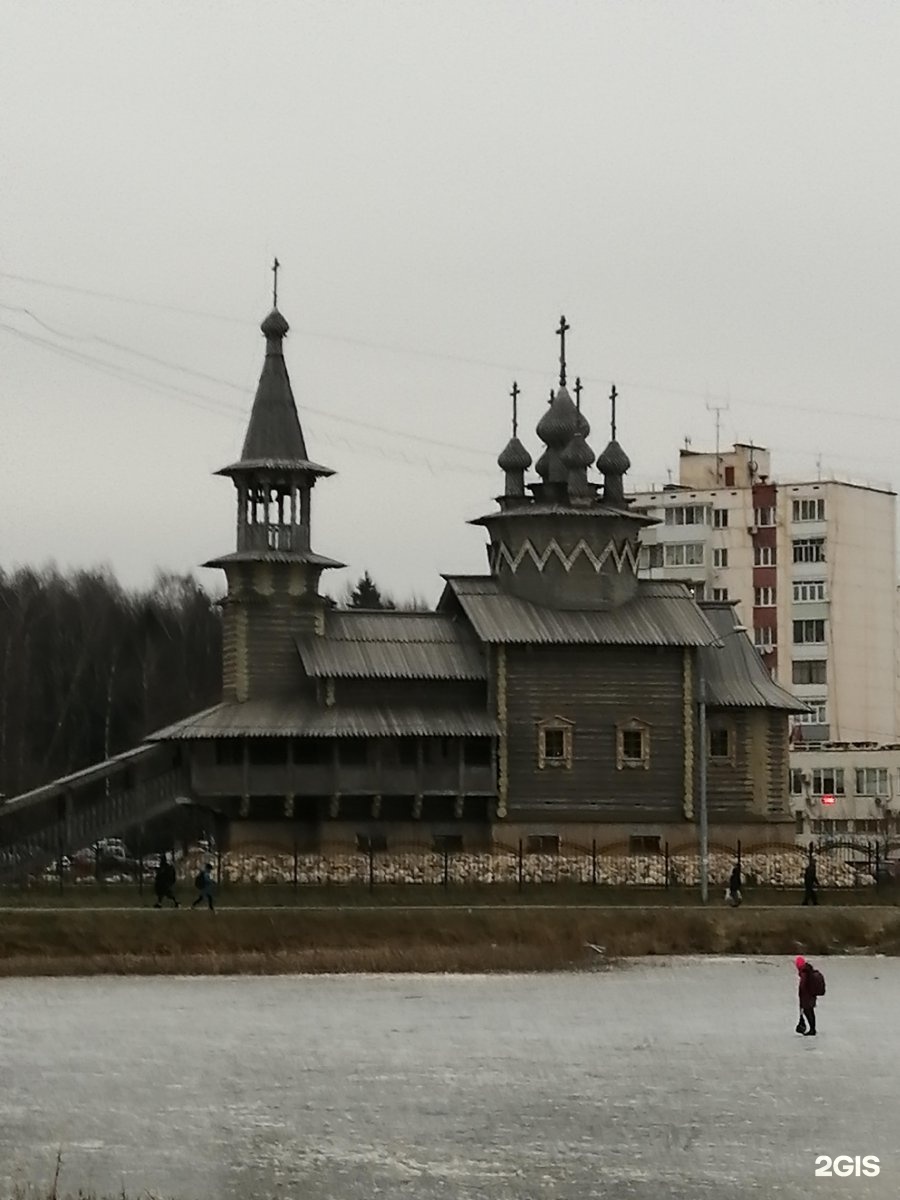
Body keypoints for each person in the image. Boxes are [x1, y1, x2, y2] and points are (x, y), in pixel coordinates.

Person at [795, 955, 823, 1036]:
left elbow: (803, 986)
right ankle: (812, 1028)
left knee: (808, 1011)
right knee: (810, 1011)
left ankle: (812, 1029)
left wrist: (801, 995)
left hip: (807, 996)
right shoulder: (807, 970)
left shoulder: (804, 972)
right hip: (810, 995)